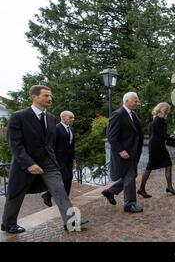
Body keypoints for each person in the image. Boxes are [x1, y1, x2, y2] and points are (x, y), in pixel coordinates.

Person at [2, 85, 87, 233]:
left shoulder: (51, 117)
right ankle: (9, 224)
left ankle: (71, 222)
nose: (50, 98)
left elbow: (50, 143)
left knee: (59, 190)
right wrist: (29, 163)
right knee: (16, 193)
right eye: (46, 96)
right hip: (25, 163)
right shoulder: (19, 116)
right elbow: (15, 144)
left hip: (49, 162)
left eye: (50, 96)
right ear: (34, 97)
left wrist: (55, 159)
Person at [102, 92, 144, 213]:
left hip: (134, 152)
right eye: (135, 101)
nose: (138, 103)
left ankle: (110, 192)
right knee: (130, 177)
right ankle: (129, 204)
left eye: (137, 101)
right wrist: (121, 151)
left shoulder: (133, 114)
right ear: (126, 101)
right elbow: (111, 137)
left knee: (131, 176)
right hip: (125, 154)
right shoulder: (117, 114)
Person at [138, 102, 175, 197]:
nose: (167, 113)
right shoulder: (159, 120)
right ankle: (141, 188)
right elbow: (162, 135)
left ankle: (169, 187)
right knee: (150, 167)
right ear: (162, 110)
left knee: (167, 164)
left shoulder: (155, 120)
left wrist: (170, 137)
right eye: (166, 111)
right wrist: (173, 138)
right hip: (157, 146)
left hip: (156, 145)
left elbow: (159, 134)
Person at [42, 111, 76, 207]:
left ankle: (65, 199)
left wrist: (73, 158)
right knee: (65, 178)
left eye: (73, 117)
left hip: (68, 159)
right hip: (59, 159)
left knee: (69, 178)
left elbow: (72, 145)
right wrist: (52, 158)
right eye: (71, 117)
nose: (73, 119)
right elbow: (51, 145)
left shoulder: (72, 129)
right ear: (63, 118)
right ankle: (49, 195)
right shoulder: (56, 129)